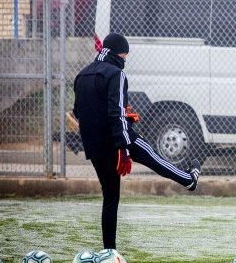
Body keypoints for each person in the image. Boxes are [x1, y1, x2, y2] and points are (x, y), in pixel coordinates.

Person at [73, 33, 201, 250]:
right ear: (118, 52)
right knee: (152, 156)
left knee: (110, 197)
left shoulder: (82, 75)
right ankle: (188, 179)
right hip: (119, 139)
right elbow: (117, 114)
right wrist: (123, 147)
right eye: (125, 54)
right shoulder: (116, 74)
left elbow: (78, 112)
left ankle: (109, 252)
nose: (125, 58)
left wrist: (115, 117)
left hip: (94, 144)